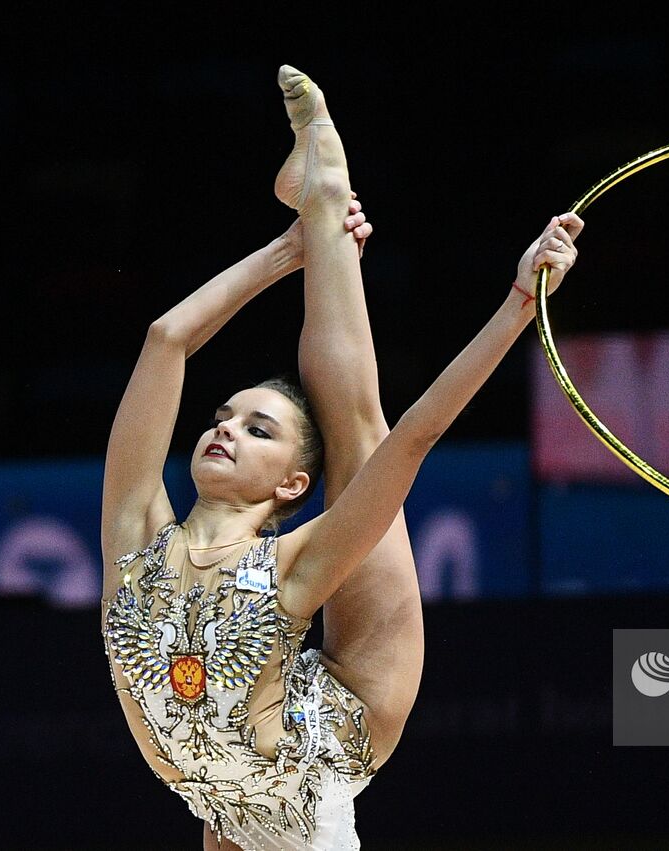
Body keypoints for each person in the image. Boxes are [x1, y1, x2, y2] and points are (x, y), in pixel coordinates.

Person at [100, 65, 583, 850]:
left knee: (364, 437)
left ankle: (326, 191)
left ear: (295, 483)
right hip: (243, 787)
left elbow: (417, 434)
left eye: (257, 430)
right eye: (224, 417)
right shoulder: (132, 535)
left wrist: (518, 305)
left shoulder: (292, 561)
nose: (224, 429)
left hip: (322, 738)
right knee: (358, 432)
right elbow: (167, 338)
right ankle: (322, 205)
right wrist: (287, 249)